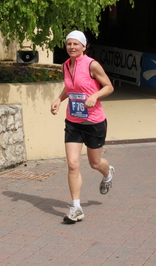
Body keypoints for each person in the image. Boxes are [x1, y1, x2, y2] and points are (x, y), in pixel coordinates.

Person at [50, 30, 115, 224]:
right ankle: (76, 207)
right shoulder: (65, 65)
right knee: (72, 164)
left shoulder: (92, 65)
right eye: (69, 44)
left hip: (94, 122)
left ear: (84, 46)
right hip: (73, 121)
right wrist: (59, 99)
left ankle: (108, 172)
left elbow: (109, 86)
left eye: (75, 44)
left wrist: (95, 96)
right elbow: (70, 88)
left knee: (94, 163)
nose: (71, 47)